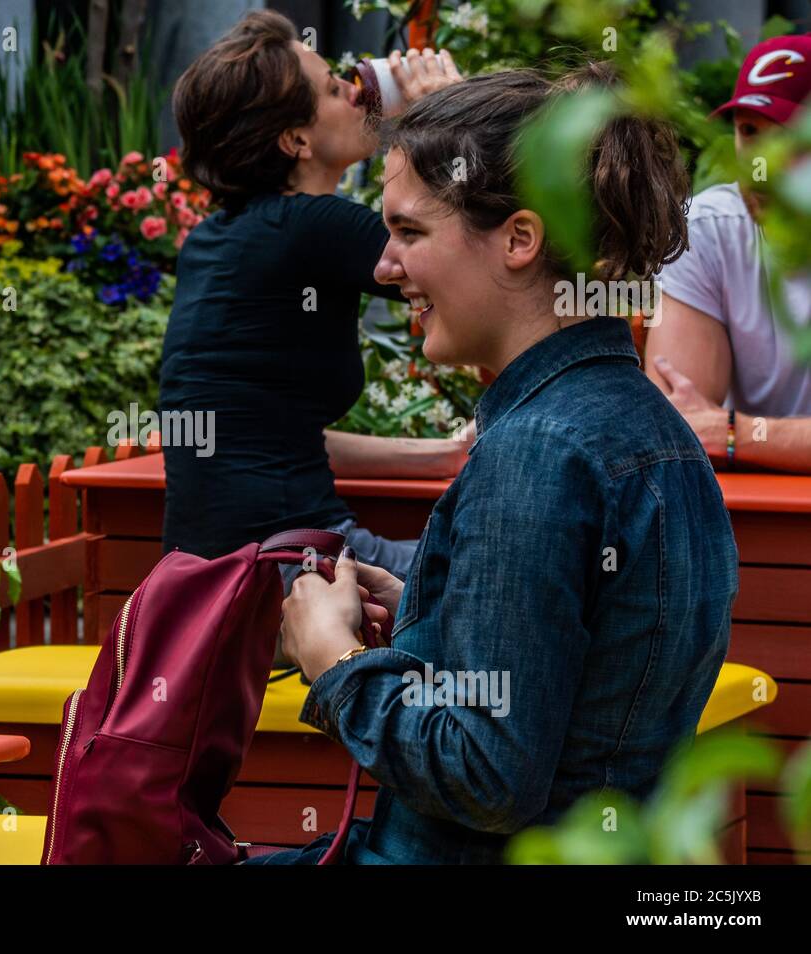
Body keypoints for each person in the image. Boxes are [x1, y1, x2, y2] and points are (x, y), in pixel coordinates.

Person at [251, 64, 737, 863]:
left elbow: (487, 777)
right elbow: (590, 679)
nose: (383, 267)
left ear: (519, 239)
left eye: (409, 233)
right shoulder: (660, 434)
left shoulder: (537, 453)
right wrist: (434, 610)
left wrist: (334, 662)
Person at [160, 10, 469, 579]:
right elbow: (476, 270)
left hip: (205, 584)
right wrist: (447, 117)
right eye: (333, 89)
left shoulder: (213, 239)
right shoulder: (315, 225)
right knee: (499, 573)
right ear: (296, 139)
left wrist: (442, 456)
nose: (358, 94)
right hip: (288, 572)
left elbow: (265, 436)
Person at [646, 34, 811, 473]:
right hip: (752, 505)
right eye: (748, 130)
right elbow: (675, 422)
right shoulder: (706, 228)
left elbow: (707, 429)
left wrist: (733, 432)